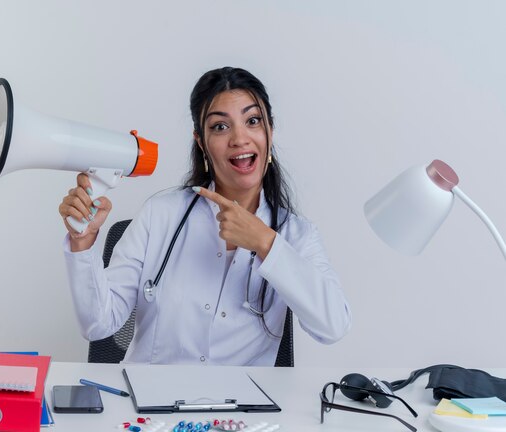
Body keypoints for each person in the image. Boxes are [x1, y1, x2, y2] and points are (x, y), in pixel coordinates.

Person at [59, 66, 351, 366]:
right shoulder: (160, 214)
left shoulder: (296, 234)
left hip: (241, 410)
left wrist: (266, 242)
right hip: (152, 401)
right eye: (220, 127)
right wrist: (84, 241)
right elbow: (99, 324)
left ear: (270, 133)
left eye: (252, 121)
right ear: (201, 142)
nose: (239, 138)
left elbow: (333, 327)